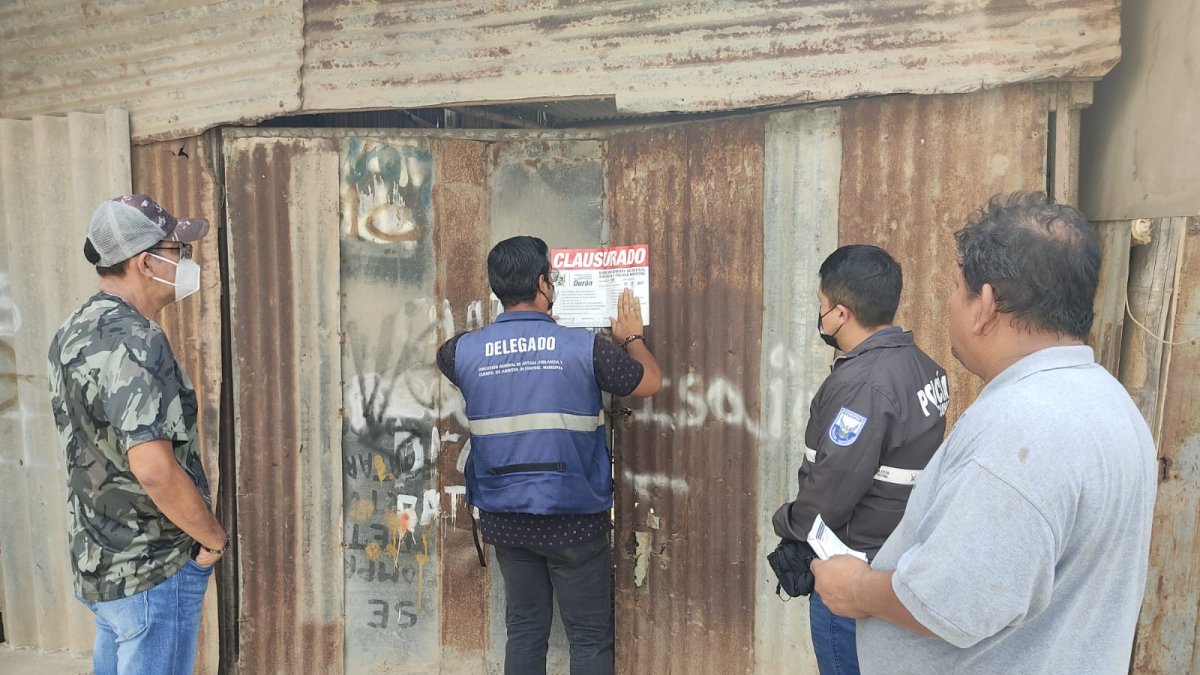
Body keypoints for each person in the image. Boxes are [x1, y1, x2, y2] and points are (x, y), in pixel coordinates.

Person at [811, 192, 1158, 674]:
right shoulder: (1110, 403)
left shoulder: (1024, 427)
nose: (951, 302)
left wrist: (856, 589)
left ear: (986, 304)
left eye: (957, 288)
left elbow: (952, 598)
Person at [436, 236, 661, 675]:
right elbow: (648, 382)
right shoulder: (585, 348)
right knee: (589, 636)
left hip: (506, 519)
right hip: (574, 518)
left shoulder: (461, 352)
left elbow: (450, 353)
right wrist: (632, 337)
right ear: (543, 284)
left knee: (524, 629)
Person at [48, 194, 227, 675]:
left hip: (101, 562)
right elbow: (153, 468)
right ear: (147, 262)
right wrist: (212, 539)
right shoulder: (136, 339)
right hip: (151, 569)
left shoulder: (71, 331)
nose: (186, 262)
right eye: (178, 251)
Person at [772, 244, 948, 675]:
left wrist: (788, 524)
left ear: (841, 314)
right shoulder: (925, 368)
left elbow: (833, 487)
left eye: (821, 306)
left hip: (853, 574)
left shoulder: (864, 384)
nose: (821, 316)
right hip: (896, 565)